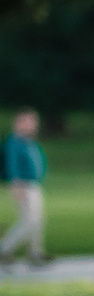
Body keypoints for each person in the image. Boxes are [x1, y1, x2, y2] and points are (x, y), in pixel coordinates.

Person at [2, 109, 46, 267]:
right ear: (20, 122)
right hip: (23, 185)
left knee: (37, 221)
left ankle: (35, 253)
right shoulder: (14, 141)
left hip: (33, 184)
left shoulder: (28, 141)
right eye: (30, 121)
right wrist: (16, 183)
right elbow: (12, 164)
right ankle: (4, 249)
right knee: (28, 221)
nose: (34, 125)